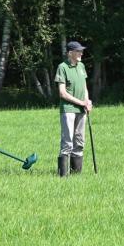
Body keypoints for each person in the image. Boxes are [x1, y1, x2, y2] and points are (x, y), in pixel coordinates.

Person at [54, 41, 93, 177]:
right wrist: (81, 102)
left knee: (80, 141)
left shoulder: (81, 66)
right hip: (68, 109)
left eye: (81, 51)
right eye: (78, 51)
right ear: (70, 53)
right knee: (67, 142)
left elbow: (84, 87)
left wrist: (87, 102)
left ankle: (76, 175)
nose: (81, 53)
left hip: (81, 110)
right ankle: (63, 176)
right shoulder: (62, 67)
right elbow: (62, 93)